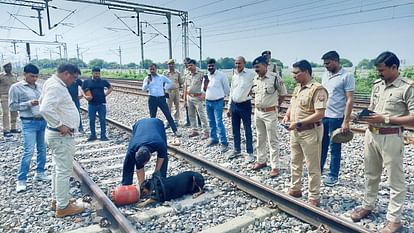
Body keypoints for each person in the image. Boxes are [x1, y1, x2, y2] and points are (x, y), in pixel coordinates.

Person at [350, 51, 414, 233]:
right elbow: (373, 107)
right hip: (371, 135)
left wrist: (385, 119)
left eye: (382, 70)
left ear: (394, 67)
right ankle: (367, 206)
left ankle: (394, 219)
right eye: (378, 70)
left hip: (391, 136)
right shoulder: (377, 85)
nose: (379, 73)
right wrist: (362, 115)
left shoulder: (408, 87)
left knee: (395, 179)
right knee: (371, 174)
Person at [40, 63, 85, 218]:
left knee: (57, 169)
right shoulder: (56, 86)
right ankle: (63, 207)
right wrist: (60, 125)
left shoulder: (51, 83)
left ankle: (58, 200)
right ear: (66, 73)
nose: (73, 81)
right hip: (61, 136)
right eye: (73, 77)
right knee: (63, 171)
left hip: (56, 136)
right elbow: (44, 108)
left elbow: (42, 102)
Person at [281, 60, 328, 207]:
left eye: (296, 73)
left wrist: (299, 123)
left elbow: (320, 114)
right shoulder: (298, 88)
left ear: (306, 72)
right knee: (295, 161)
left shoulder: (317, 89)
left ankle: (314, 195)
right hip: (295, 131)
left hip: (310, 132)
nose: (293, 75)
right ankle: (296, 188)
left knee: (312, 165)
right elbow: (292, 104)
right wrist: (287, 116)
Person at [9, 63, 50, 193]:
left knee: (42, 149)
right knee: (28, 151)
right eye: (32, 76)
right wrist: (28, 103)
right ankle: (21, 180)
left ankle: (40, 172)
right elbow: (12, 106)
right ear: (24, 74)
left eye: (36, 76)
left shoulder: (40, 87)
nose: (34, 79)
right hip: (28, 123)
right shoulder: (16, 88)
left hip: (42, 121)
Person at [320, 51, 355, 187]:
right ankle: (319, 169)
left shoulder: (346, 76)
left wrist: (346, 121)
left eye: (328, 63)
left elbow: (349, 99)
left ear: (335, 61)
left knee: (335, 147)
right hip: (323, 116)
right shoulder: (325, 75)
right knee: (321, 146)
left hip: (336, 118)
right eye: (324, 63)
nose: (325, 66)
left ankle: (333, 175)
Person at [251, 55, 287, 178]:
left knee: (273, 140)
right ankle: (261, 160)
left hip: (270, 113)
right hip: (258, 112)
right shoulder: (255, 79)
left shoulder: (275, 78)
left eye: (258, 67)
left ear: (265, 66)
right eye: (254, 67)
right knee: (260, 138)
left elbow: (283, 94)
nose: (256, 69)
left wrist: (275, 106)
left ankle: (275, 166)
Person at [121, 118, 169, 186]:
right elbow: (139, 169)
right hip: (139, 124)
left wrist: (156, 175)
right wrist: (142, 186)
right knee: (129, 159)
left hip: (157, 123)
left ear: (150, 155)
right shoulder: (133, 148)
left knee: (164, 156)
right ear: (136, 153)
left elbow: (161, 157)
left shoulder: (160, 144)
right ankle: (126, 182)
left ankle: (160, 180)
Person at [227, 56, 256, 162]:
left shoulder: (250, 74)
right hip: (234, 105)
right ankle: (237, 149)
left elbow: (258, 82)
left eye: (239, 63)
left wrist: (253, 91)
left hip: (245, 105)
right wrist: (229, 105)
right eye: (236, 63)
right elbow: (231, 90)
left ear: (244, 63)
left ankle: (250, 152)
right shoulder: (235, 75)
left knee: (247, 129)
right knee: (235, 129)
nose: (237, 65)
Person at [143, 63, 181, 137]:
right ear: (149, 70)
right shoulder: (147, 78)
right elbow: (143, 89)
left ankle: (175, 131)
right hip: (152, 98)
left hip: (161, 98)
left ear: (156, 69)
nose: (152, 71)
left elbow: (170, 83)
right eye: (150, 69)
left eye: (153, 69)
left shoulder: (161, 77)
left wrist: (165, 88)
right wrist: (148, 83)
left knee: (168, 115)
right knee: (152, 116)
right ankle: (152, 132)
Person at [205, 58, 230, 153]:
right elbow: (204, 90)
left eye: (212, 66)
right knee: (211, 121)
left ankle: (224, 142)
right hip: (208, 102)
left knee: (219, 122)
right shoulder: (206, 76)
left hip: (218, 101)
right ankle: (213, 138)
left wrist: (222, 97)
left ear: (215, 66)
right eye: (209, 66)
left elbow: (227, 89)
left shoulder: (221, 75)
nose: (210, 67)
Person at [82, 67, 113, 141]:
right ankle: (93, 135)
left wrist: (105, 94)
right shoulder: (87, 82)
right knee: (91, 120)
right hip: (91, 104)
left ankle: (103, 135)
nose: (97, 75)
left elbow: (110, 88)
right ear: (92, 73)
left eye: (98, 73)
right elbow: (82, 89)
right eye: (96, 73)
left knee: (102, 120)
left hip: (101, 103)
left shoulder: (103, 81)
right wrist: (85, 96)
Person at [184, 59, 209, 139]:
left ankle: (206, 131)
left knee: (201, 114)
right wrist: (184, 98)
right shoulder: (187, 74)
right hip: (189, 97)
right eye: (188, 65)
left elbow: (206, 84)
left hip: (198, 97)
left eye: (191, 65)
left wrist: (204, 94)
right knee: (191, 114)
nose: (189, 67)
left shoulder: (201, 73)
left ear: (195, 65)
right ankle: (195, 130)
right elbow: (185, 86)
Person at [1, 61, 19, 137]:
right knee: (5, 113)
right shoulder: (1, 76)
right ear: (4, 68)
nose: (9, 68)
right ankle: (6, 130)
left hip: (13, 97)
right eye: (7, 67)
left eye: (10, 67)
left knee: (14, 112)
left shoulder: (14, 76)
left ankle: (13, 128)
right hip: (4, 96)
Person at [164, 59, 183, 125]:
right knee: (168, 106)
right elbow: (162, 83)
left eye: (172, 64)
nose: (171, 65)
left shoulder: (178, 73)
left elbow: (181, 82)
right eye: (169, 64)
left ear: (174, 65)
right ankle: (168, 120)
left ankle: (176, 120)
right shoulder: (165, 73)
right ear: (167, 65)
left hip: (176, 91)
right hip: (168, 91)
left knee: (177, 105)